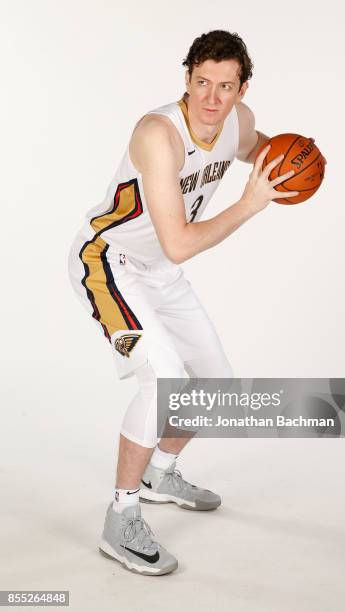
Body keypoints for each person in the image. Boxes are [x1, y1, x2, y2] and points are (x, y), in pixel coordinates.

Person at [68, 29, 298, 576]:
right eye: (201, 83)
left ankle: (160, 473)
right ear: (187, 79)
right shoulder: (159, 134)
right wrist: (250, 204)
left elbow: (260, 149)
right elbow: (180, 242)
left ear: (243, 88)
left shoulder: (237, 122)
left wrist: (297, 160)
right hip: (109, 264)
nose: (211, 99)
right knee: (166, 382)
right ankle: (120, 516)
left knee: (216, 386)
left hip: (160, 272)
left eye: (225, 86)